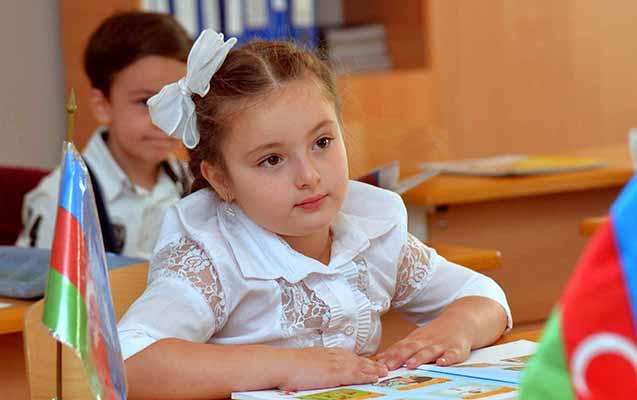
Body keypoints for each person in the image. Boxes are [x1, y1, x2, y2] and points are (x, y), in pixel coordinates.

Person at [117, 29, 512, 399]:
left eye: (322, 142)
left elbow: (482, 295)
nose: (308, 176)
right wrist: (286, 366)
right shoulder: (213, 259)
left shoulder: (368, 233)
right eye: (272, 160)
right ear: (221, 179)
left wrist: (455, 328)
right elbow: (129, 361)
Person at [16, 11, 193, 259]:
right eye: (145, 102)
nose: (165, 121)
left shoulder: (195, 185)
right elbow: (39, 281)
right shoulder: (62, 197)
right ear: (102, 106)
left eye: (177, 102)